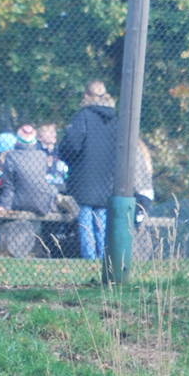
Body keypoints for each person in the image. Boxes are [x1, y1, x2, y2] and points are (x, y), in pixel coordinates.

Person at [59, 80, 119, 259]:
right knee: (101, 218)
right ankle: (103, 257)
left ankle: (90, 257)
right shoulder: (115, 119)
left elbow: (72, 144)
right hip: (107, 175)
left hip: (84, 175)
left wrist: (65, 156)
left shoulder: (83, 116)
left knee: (85, 217)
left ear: (86, 95)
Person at [0, 127, 58, 217]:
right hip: (42, 203)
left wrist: (5, 207)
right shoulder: (42, 155)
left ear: (17, 140)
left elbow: (9, 186)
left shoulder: (11, 156)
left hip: (21, 201)